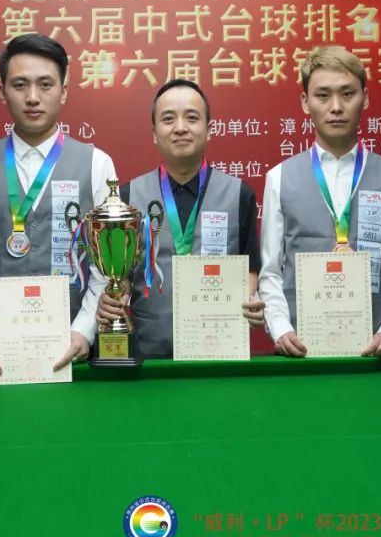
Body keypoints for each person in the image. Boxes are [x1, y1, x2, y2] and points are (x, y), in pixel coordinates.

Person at [0, 33, 116, 379]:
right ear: (2, 91)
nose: (33, 97)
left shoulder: (97, 164)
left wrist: (84, 331)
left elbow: (106, 265)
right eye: (20, 85)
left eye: (45, 84)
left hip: (75, 355)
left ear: (64, 91)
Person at [259, 46, 381, 361]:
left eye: (347, 94)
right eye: (323, 95)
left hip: (372, 352)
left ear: (365, 98)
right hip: (300, 353)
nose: (336, 107)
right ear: (305, 102)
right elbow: (269, 271)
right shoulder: (279, 178)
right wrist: (281, 328)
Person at [96, 79, 264, 358]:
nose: (181, 127)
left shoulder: (239, 194)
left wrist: (251, 300)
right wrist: (112, 299)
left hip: (219, 352)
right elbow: (122, 275)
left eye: (192, 118)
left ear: (209, 129)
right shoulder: (127, 198)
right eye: (168, 119)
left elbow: (250, 268)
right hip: (150, 354)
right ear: (154, 133)